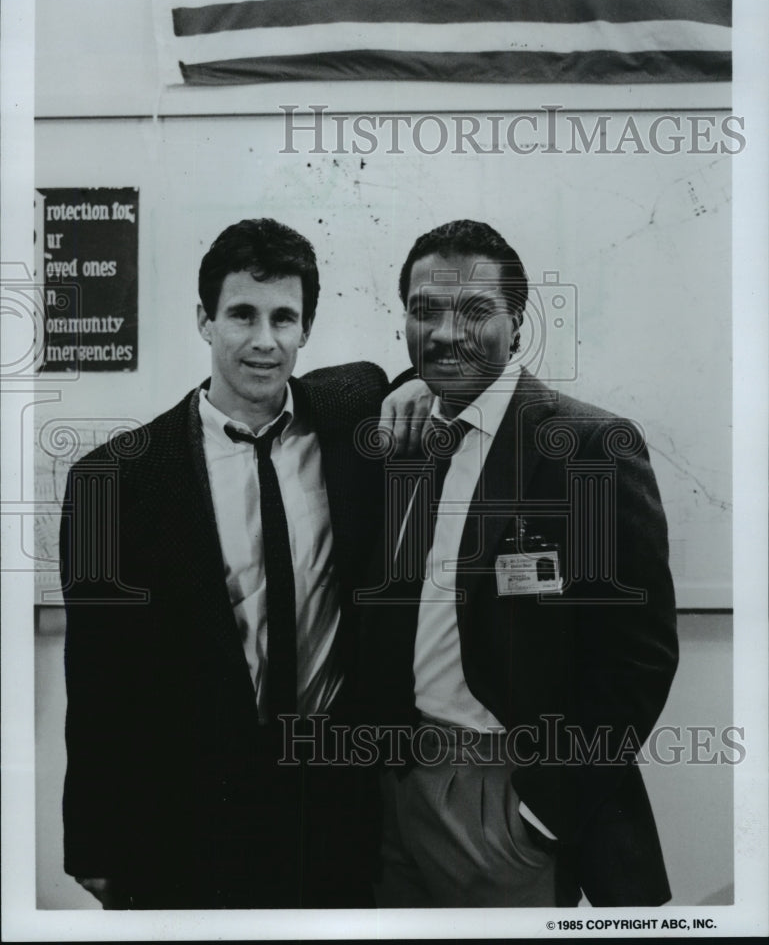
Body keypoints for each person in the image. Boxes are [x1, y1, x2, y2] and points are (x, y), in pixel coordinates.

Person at [59, 217, 425, 909]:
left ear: (306, 328)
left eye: (283, 318)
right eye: (241, 315)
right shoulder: (114, 481)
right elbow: (98, 678)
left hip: (335, 800)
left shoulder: (352, 413)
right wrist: (96, 840)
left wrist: (413, 382)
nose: (264, 340)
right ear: (204, 320)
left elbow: (411, 375)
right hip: (194, 804)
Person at [359, 219, 679, 907]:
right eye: (424, 311)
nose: (445, 334)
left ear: (516, 323)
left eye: (474, 311)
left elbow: (638, 659)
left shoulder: (584, 448)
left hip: (503, 799)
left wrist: (542, 814)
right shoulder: (404, 433)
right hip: (393, 788)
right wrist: (401, 383)